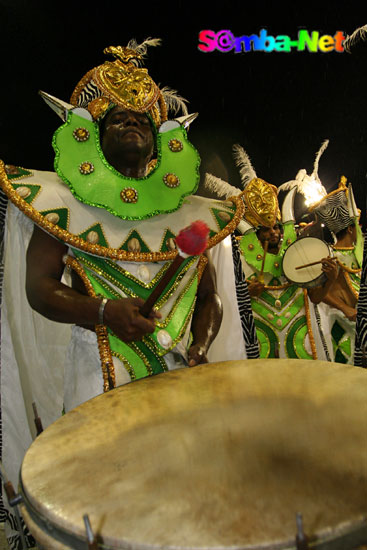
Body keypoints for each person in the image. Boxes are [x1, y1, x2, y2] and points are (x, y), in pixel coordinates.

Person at [0, 40, 247, 548]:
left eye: (141, 119)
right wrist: (104, 312)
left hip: (180, 383)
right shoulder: (60, 203)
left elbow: (209, 298)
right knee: (103, 513)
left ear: (159, 141)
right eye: (117, 119)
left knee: (181, 507)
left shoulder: (188, 214)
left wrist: (199, 348)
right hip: (97, 379)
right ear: (92, 134)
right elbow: (38, 288)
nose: (131, 123)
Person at [309, 177, 362, 364]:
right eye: (357, 225)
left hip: (360, 321)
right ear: (350, 229)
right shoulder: (328, 255)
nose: (360, 229)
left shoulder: (358, 254)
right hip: (340, 322)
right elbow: (317, 292)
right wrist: (344, 308)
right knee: (347, 373)